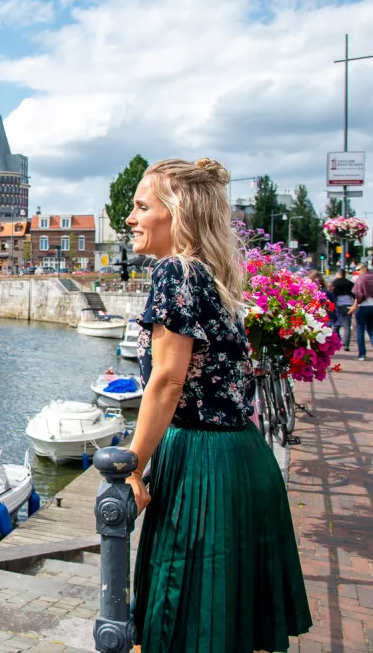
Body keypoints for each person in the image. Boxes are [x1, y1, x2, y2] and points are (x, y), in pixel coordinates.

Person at [125, 158, 311, 653]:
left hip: (201, 467)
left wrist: (132, 466)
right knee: (224, 620)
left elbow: (166, 380)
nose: (130, 218)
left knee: (181, 614)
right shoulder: (210, 276)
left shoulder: (175, 271)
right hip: (242, 458)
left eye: (142, 206)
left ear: (177, 214)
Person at [348, 263, 373, 361]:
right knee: (371, 330)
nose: (357, 272)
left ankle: (362, 354)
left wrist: (354, 306)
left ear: (364, 268)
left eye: (358, 269)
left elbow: (357, 295)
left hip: (362, 307)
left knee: (360, 330)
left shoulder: (360, 279)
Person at [330, 268, 355, 349]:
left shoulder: (335, 283)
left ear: (339, 274)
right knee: (347, 326)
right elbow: (355, 295)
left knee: (336, 324)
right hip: (349, 305)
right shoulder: (350, 283)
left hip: (338, 306)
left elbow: (332, 295)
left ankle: (337, 341)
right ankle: (346, 344)